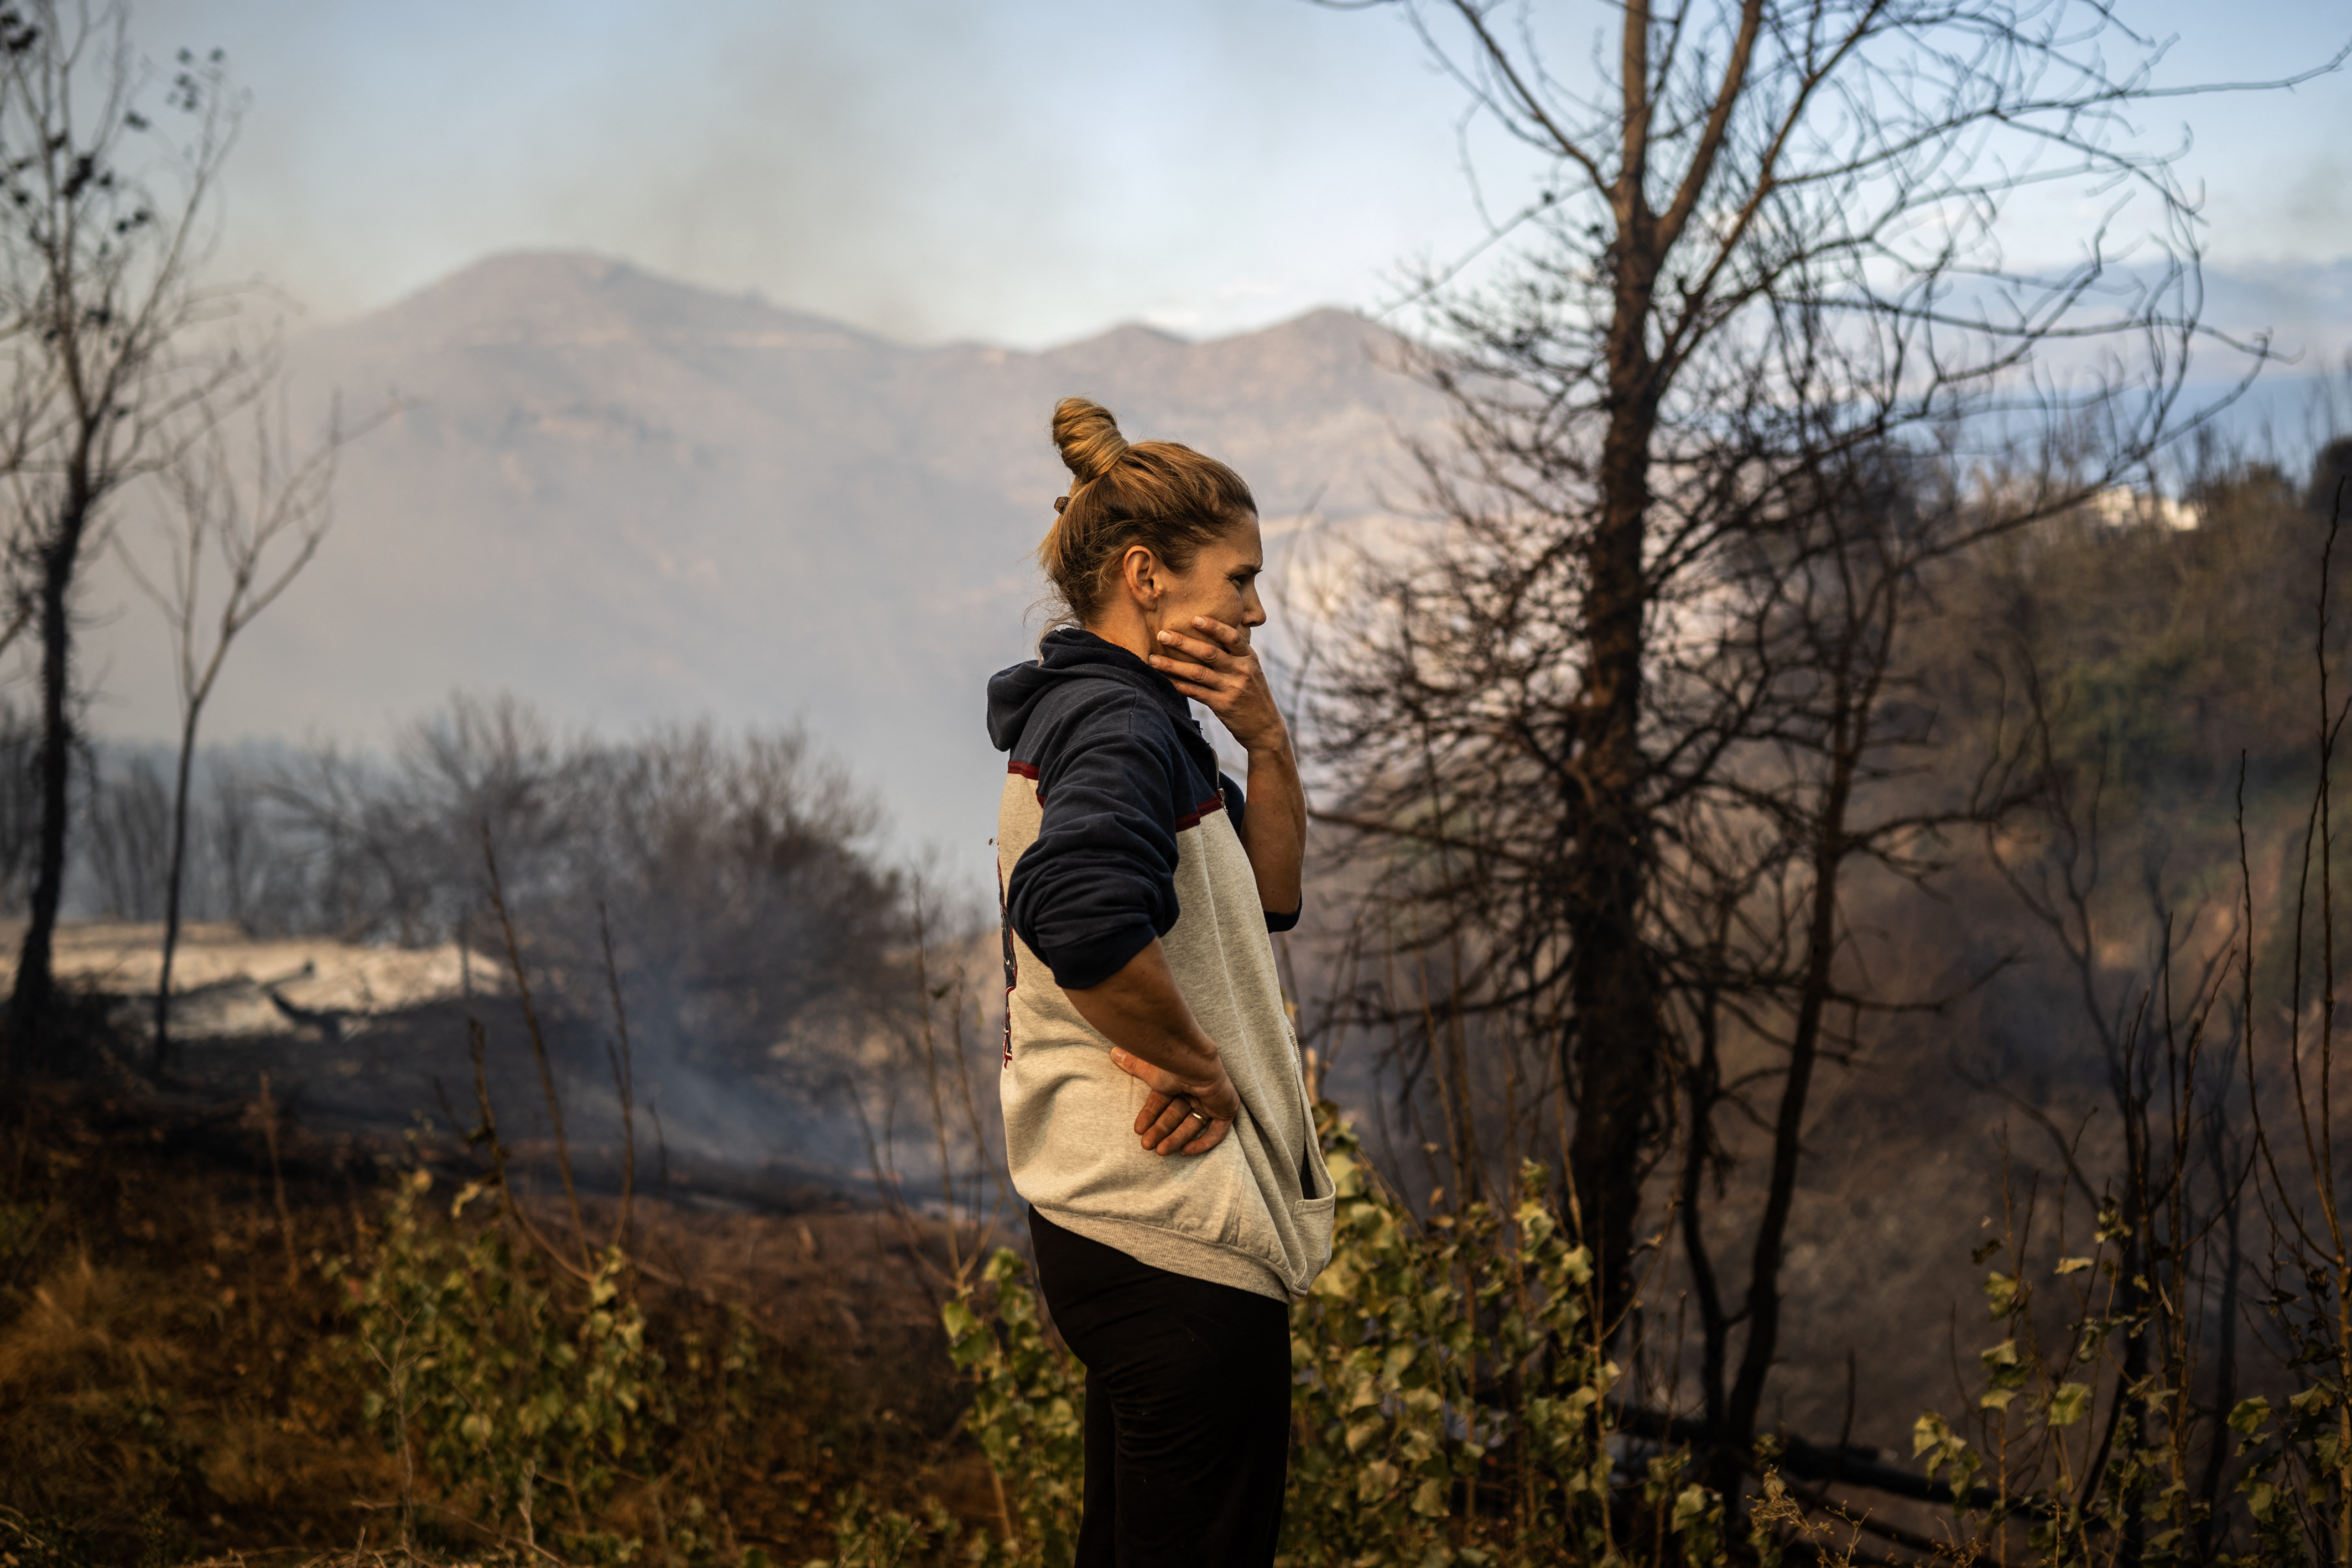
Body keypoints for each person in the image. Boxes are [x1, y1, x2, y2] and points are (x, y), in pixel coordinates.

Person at [986, 397, 1334, 1567]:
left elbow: (1269, 895)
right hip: (1173, 1227)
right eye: (1238, 578)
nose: (1256, 606)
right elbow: (1076, 907)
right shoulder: (1120, 728)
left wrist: (1267, 743)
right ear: (1145, 573)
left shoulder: (1143, 727)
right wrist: (1200, 1065)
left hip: (1133, 1226)